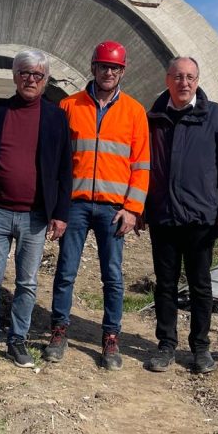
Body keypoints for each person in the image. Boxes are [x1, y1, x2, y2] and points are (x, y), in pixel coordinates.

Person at [43, 40, 150, 370]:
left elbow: (141, 165)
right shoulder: (70, 106)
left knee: (113, 277)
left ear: (122, 72)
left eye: (115, 68)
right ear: (93, 68)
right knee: (66, 272)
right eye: (104, 66)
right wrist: (56, 208)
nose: (108, 73)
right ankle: (59, 331)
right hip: (74, 205)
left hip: (113, 210)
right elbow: (56, 161)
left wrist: (132, 208)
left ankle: (111, 337)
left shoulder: (134, 111)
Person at [0, 49, 72, 368]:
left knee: (27, 283)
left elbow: (65, 168)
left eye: (38, 75)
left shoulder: (55, 117)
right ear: (15, 77)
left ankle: (17, 340)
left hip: (36, 216)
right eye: (25, 73)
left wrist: (60, 213)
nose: (31, 79)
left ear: (45, 80)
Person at [141, 56, 218, 375]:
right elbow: (141, 166)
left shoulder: (216, 116)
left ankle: (200, 348)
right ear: (167, 79)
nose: (184, 83)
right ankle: (166, 345)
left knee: (200, 285)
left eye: (190, 77)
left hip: (201, 218)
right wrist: (140, 208)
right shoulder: (153, 117)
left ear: (197, 81)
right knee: (165, 284)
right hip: (163, 216)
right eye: (178, 77)